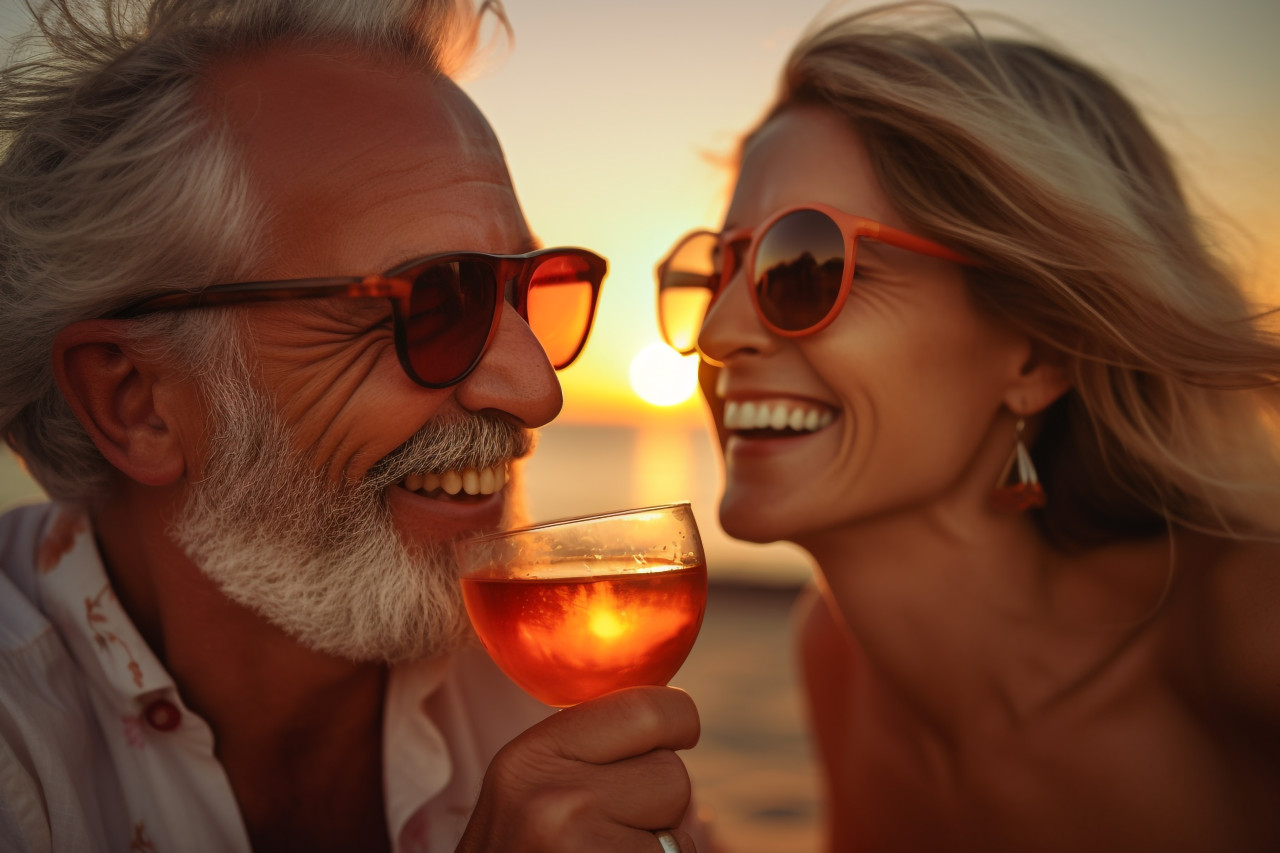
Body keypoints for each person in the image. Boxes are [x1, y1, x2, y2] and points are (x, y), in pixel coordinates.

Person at [0, 1, 706, 851]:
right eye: (436, 301)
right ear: (138, 402)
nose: (536, 392)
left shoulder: (543, 663)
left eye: (526, 293)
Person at [656, 2, 1280, 850]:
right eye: (720, 266)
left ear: (1038, 354)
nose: (720, 330)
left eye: (806, 263)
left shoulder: (1245, 636)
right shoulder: (839, 655)